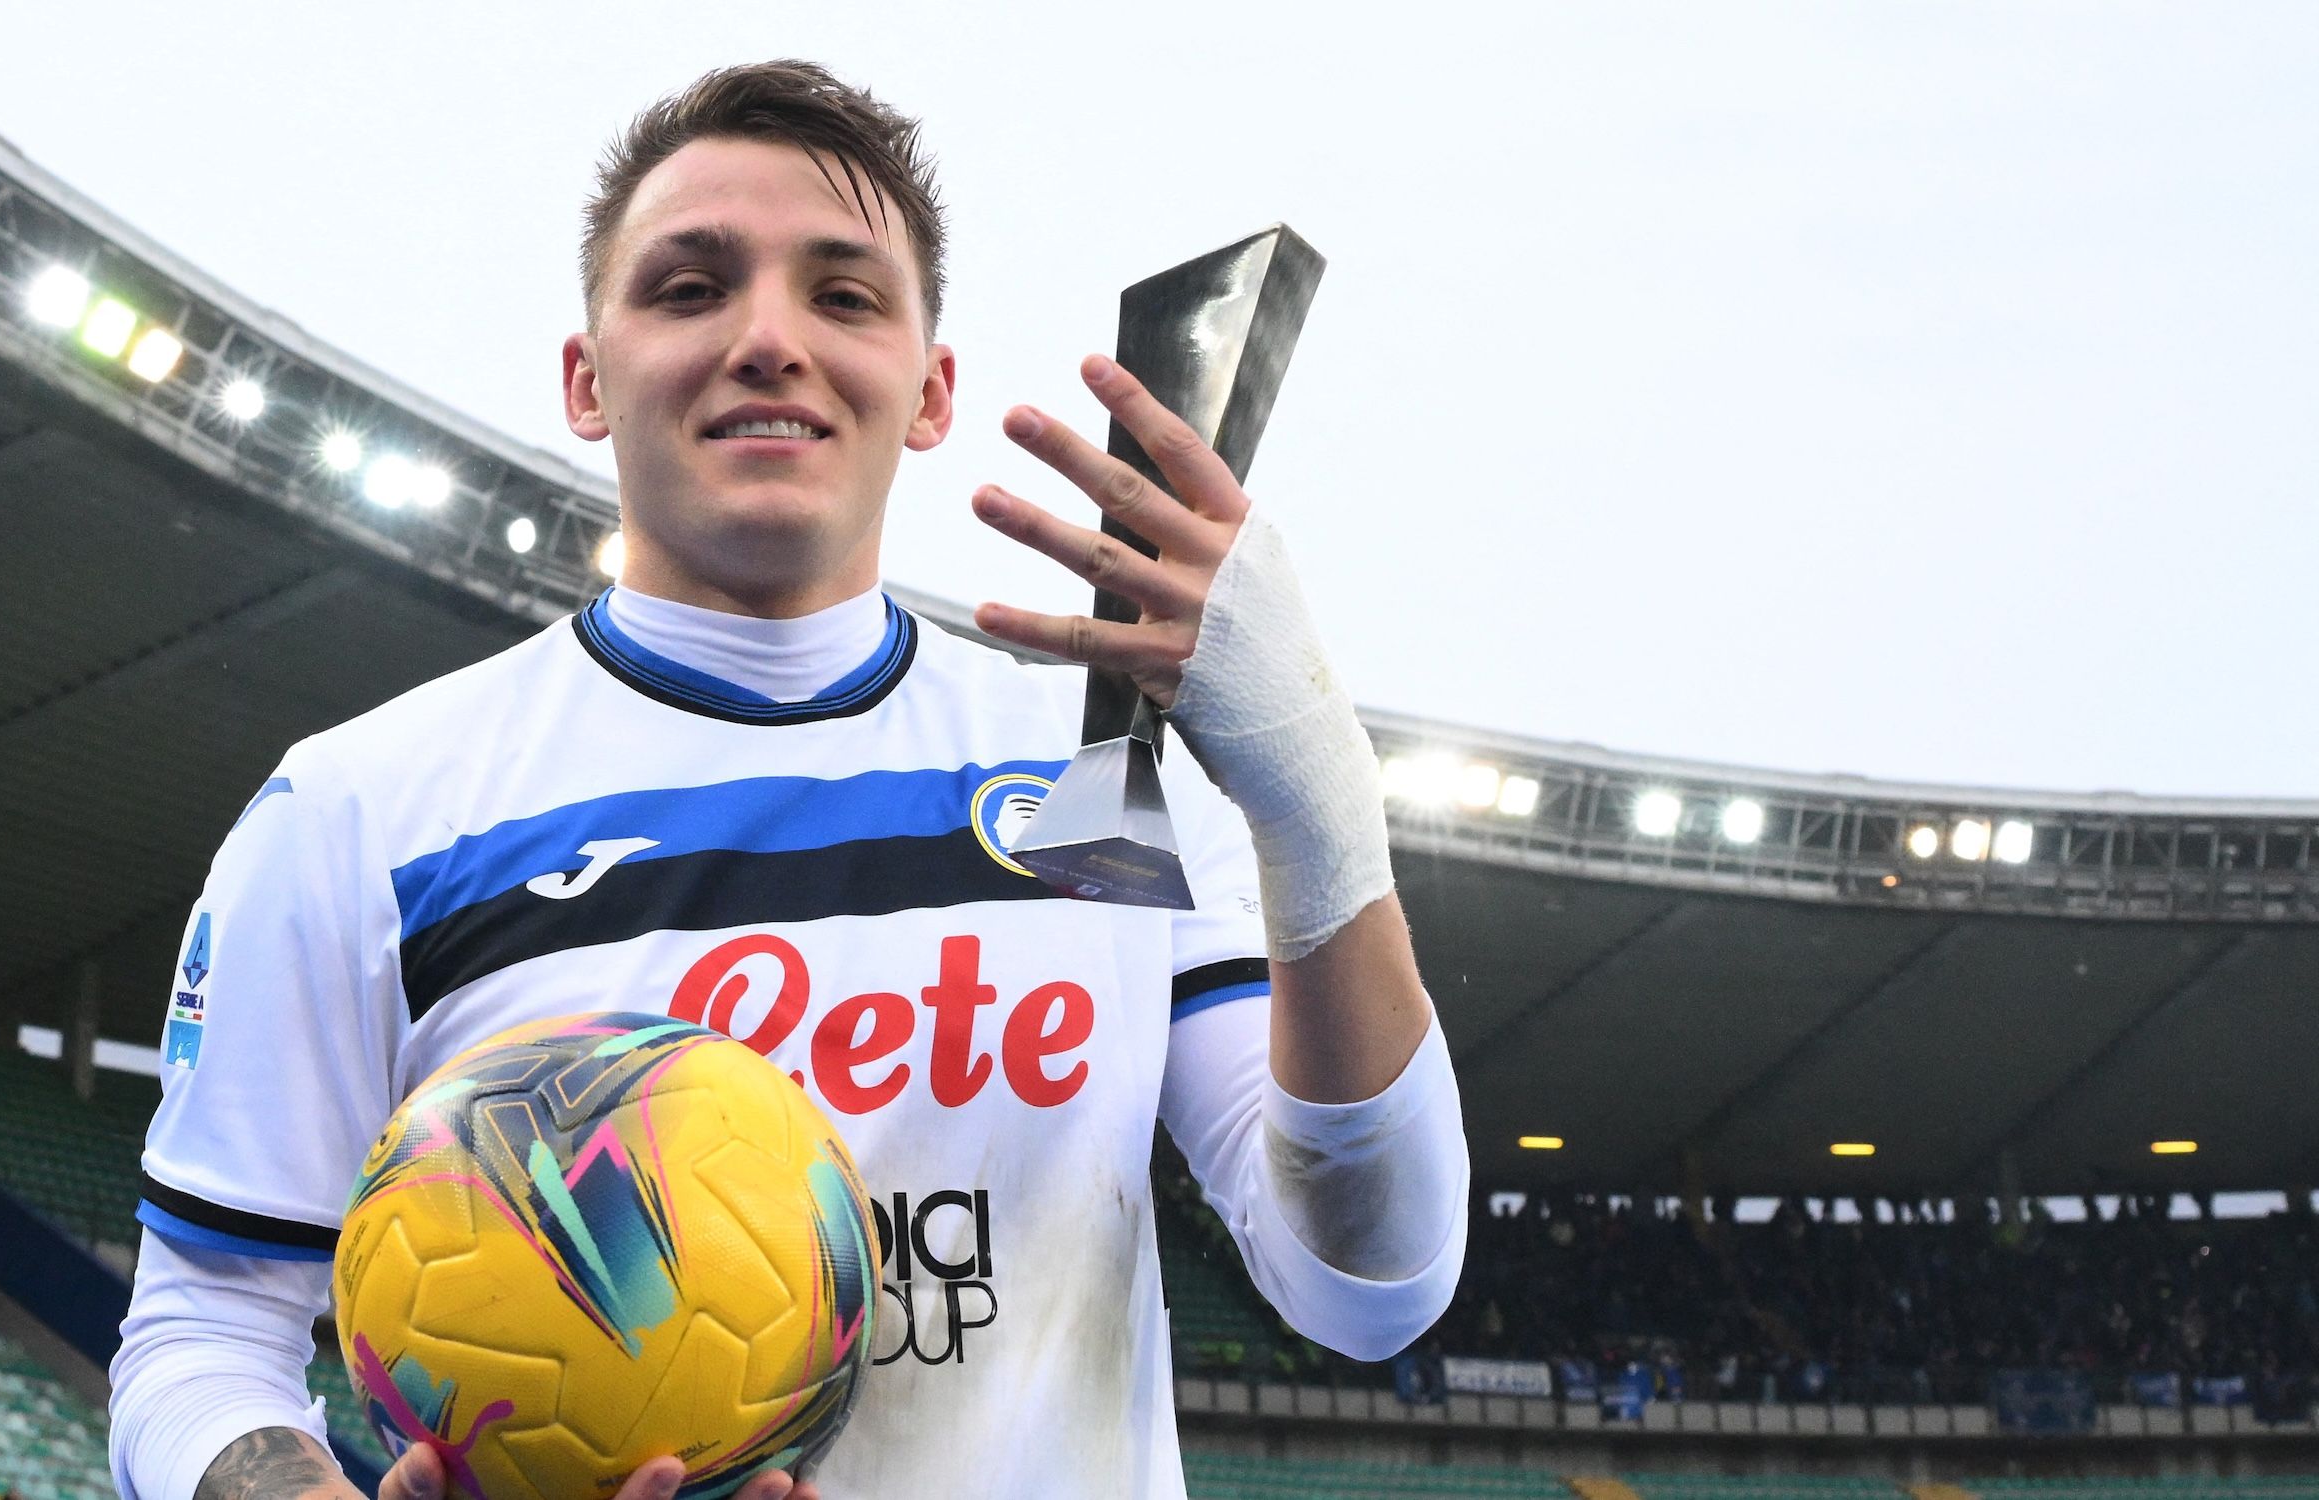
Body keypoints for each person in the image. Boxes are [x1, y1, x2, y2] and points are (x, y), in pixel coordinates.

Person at [104, 60, 1466, 1500]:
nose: (768, 339)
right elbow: (202, 1333)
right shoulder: (366, 812)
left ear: (930, 389)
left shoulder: (1093, 776)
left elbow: (1366, 1286)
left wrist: (1320, 805)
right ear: (586, 375)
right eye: (690, 288)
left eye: (845, 295)